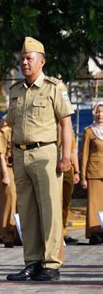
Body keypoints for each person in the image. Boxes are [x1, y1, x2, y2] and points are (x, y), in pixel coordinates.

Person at [6, 37, 74, 281]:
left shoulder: (54, 88)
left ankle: (51, 263)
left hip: (45, 153)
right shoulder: (15, 91)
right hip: (20, 153)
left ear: (41, 62)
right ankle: (32, 261)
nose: (24, 62)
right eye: (22, 58)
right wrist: (9, 150)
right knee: (27, 211)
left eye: (29, 58)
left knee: (50, 210)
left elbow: (66, 123)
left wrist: (66, 157)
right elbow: (12, 124)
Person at [81, 102, 103, 245]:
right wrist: (83, 176)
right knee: (94, 205)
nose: (100, 115)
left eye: (102, 112)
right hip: (94, 173)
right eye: (98, 112)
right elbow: (84, 156)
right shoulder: (89, 131)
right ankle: (95, 233)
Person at [0, 115, 18, 248]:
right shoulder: (5, 132)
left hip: (20, 166)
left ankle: (19, 233)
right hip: (9, 168)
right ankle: (7, 234)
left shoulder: (21, 129)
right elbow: (1, 154)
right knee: (10, 200)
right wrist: (5, 175)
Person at [61, 129, 80, 245]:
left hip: (69, 171)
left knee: (66, 203)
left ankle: (63, 232)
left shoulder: (70, 131)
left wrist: (76, 172)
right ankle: (56, 234)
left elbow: (73, 152)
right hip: (54, 168)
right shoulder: (50, 126)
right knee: (55, 203)